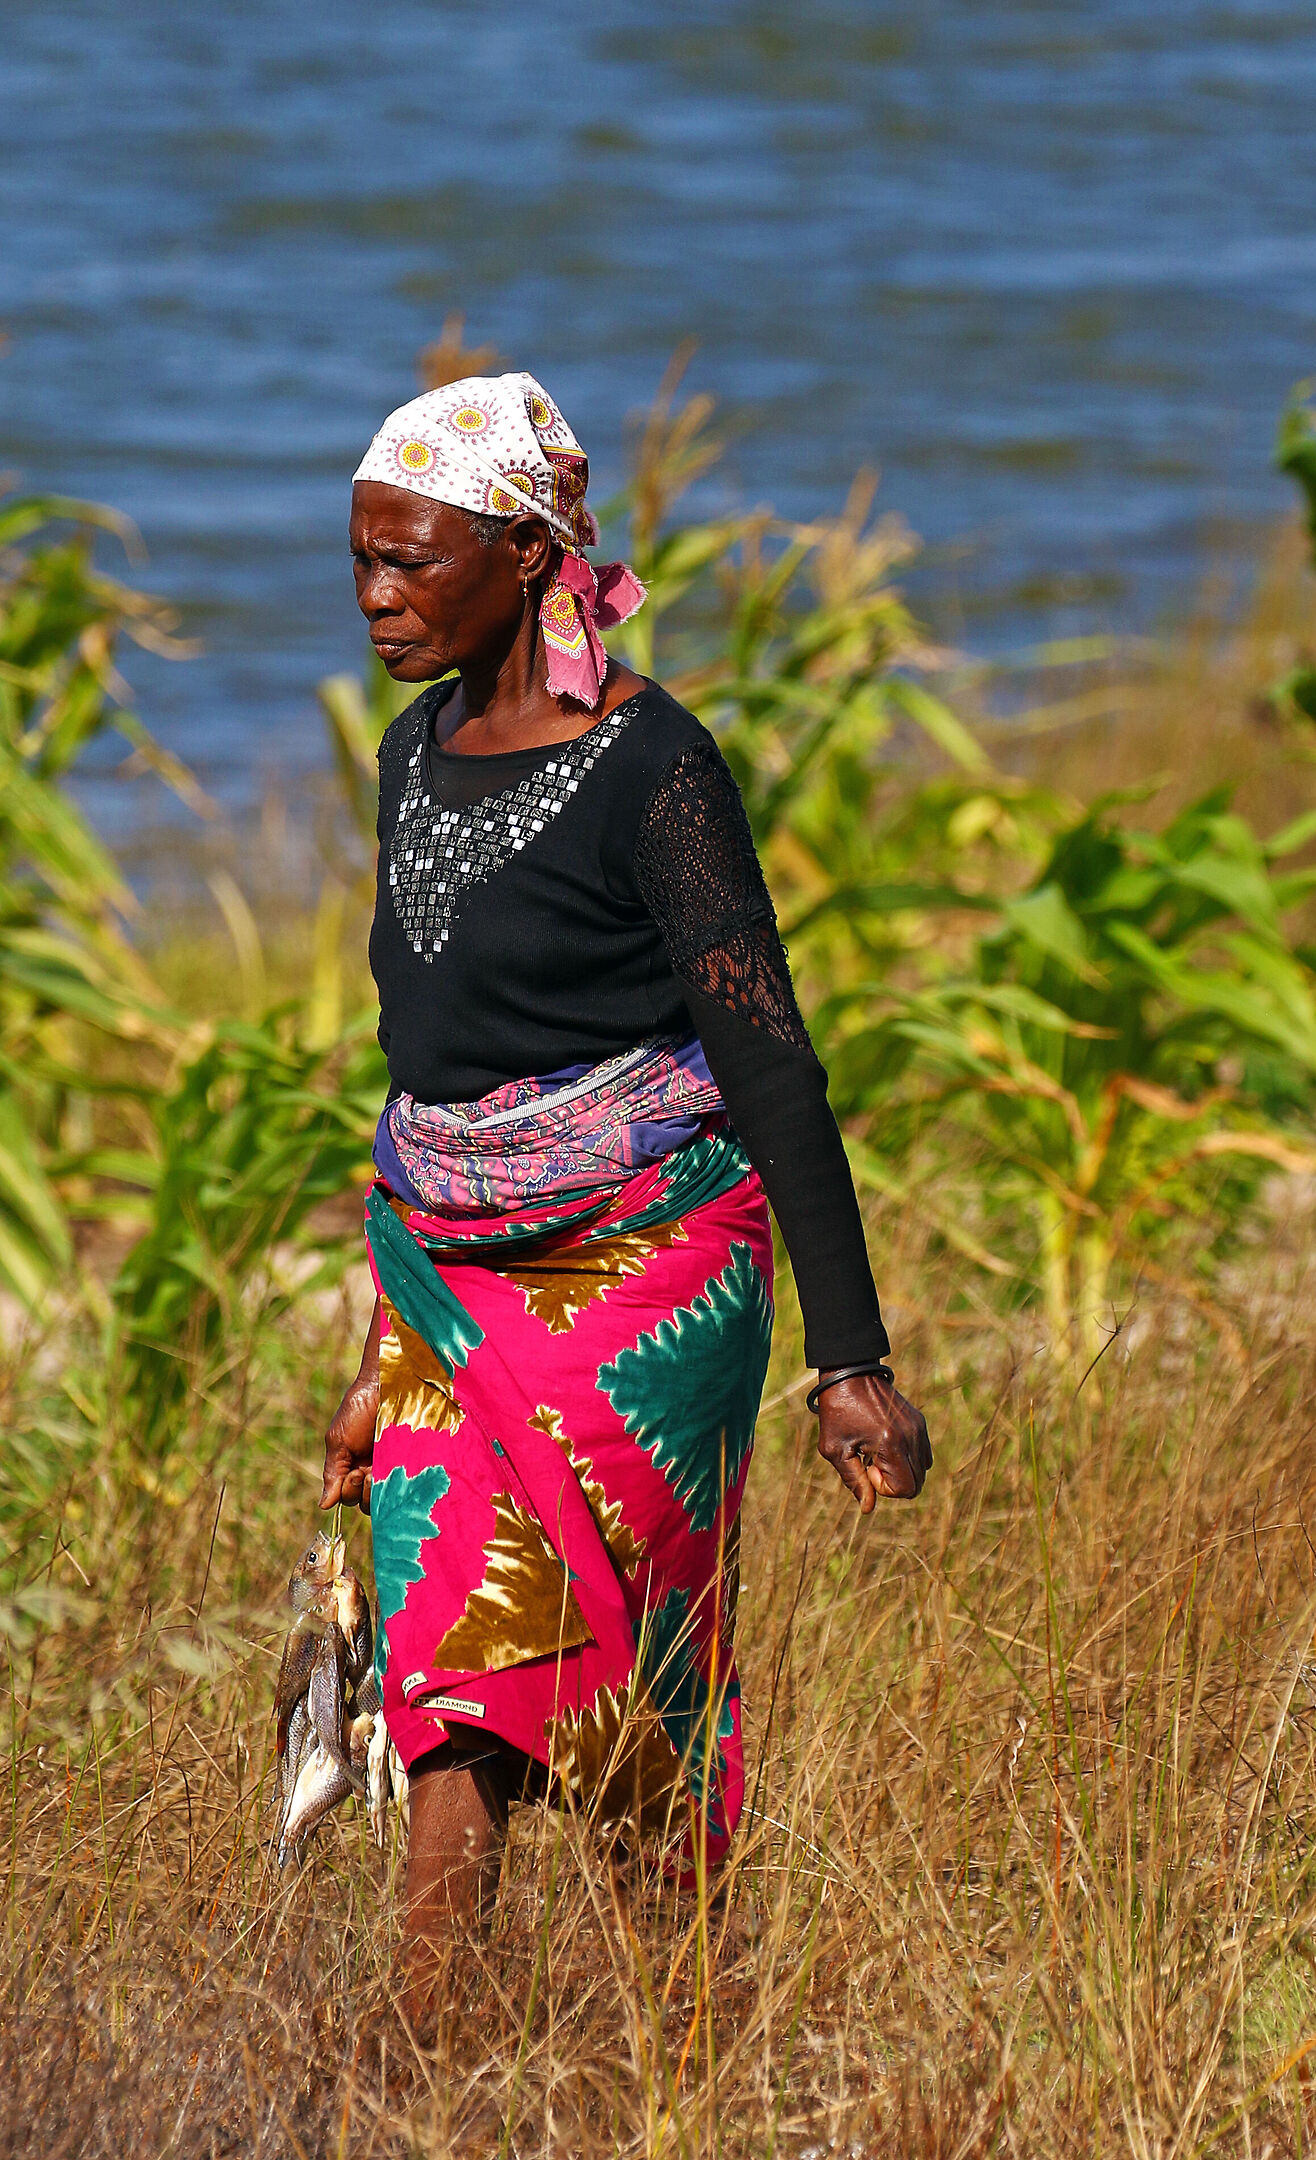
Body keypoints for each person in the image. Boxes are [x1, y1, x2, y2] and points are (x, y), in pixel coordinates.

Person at [319, 370, 932, 2014]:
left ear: (525, 556)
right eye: (362, 563)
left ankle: (682, 2028)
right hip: (451, 1273)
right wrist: (379, 1357)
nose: (377, 597)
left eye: (412, 561)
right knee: (449, 1641)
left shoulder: (654, 767)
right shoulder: (412, 748)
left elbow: (768, 1057)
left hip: (652, 1262)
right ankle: (422, 2040)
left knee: (621, 1664)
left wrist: (849, 1358)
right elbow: (421, 1076)